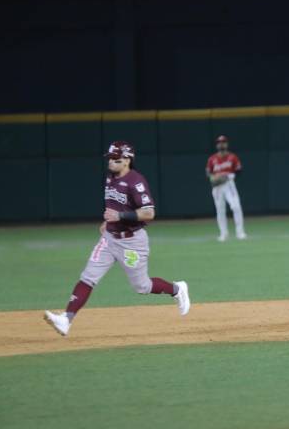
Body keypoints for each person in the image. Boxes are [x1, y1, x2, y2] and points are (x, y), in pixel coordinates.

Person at [43, 141, 190, 336]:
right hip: (109, 239)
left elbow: (149, 213)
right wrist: (109, 224)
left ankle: (176, 289)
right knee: (88, 277)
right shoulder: (110, 178)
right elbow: (114, 206)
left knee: (142, 286)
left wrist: (119, 217)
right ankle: (66, 319)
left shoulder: (136, 182)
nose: (111, 162)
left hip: (132, 242)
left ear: (127, 160)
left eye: (116, 158)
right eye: (110, 158)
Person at [207, 135, 246, 242]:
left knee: (236, 207)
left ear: (227, 144)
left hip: (229, 184)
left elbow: (239, 171)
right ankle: (223, 234)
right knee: (220, 210)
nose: (221, 144)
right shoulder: (212, 159)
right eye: (219, 142)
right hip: (217, 187)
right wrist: (213, 178)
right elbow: (209, 173)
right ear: (217, 145)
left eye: (223, 142)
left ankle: (240, 232)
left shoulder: (232, 157)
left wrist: (228, 176)